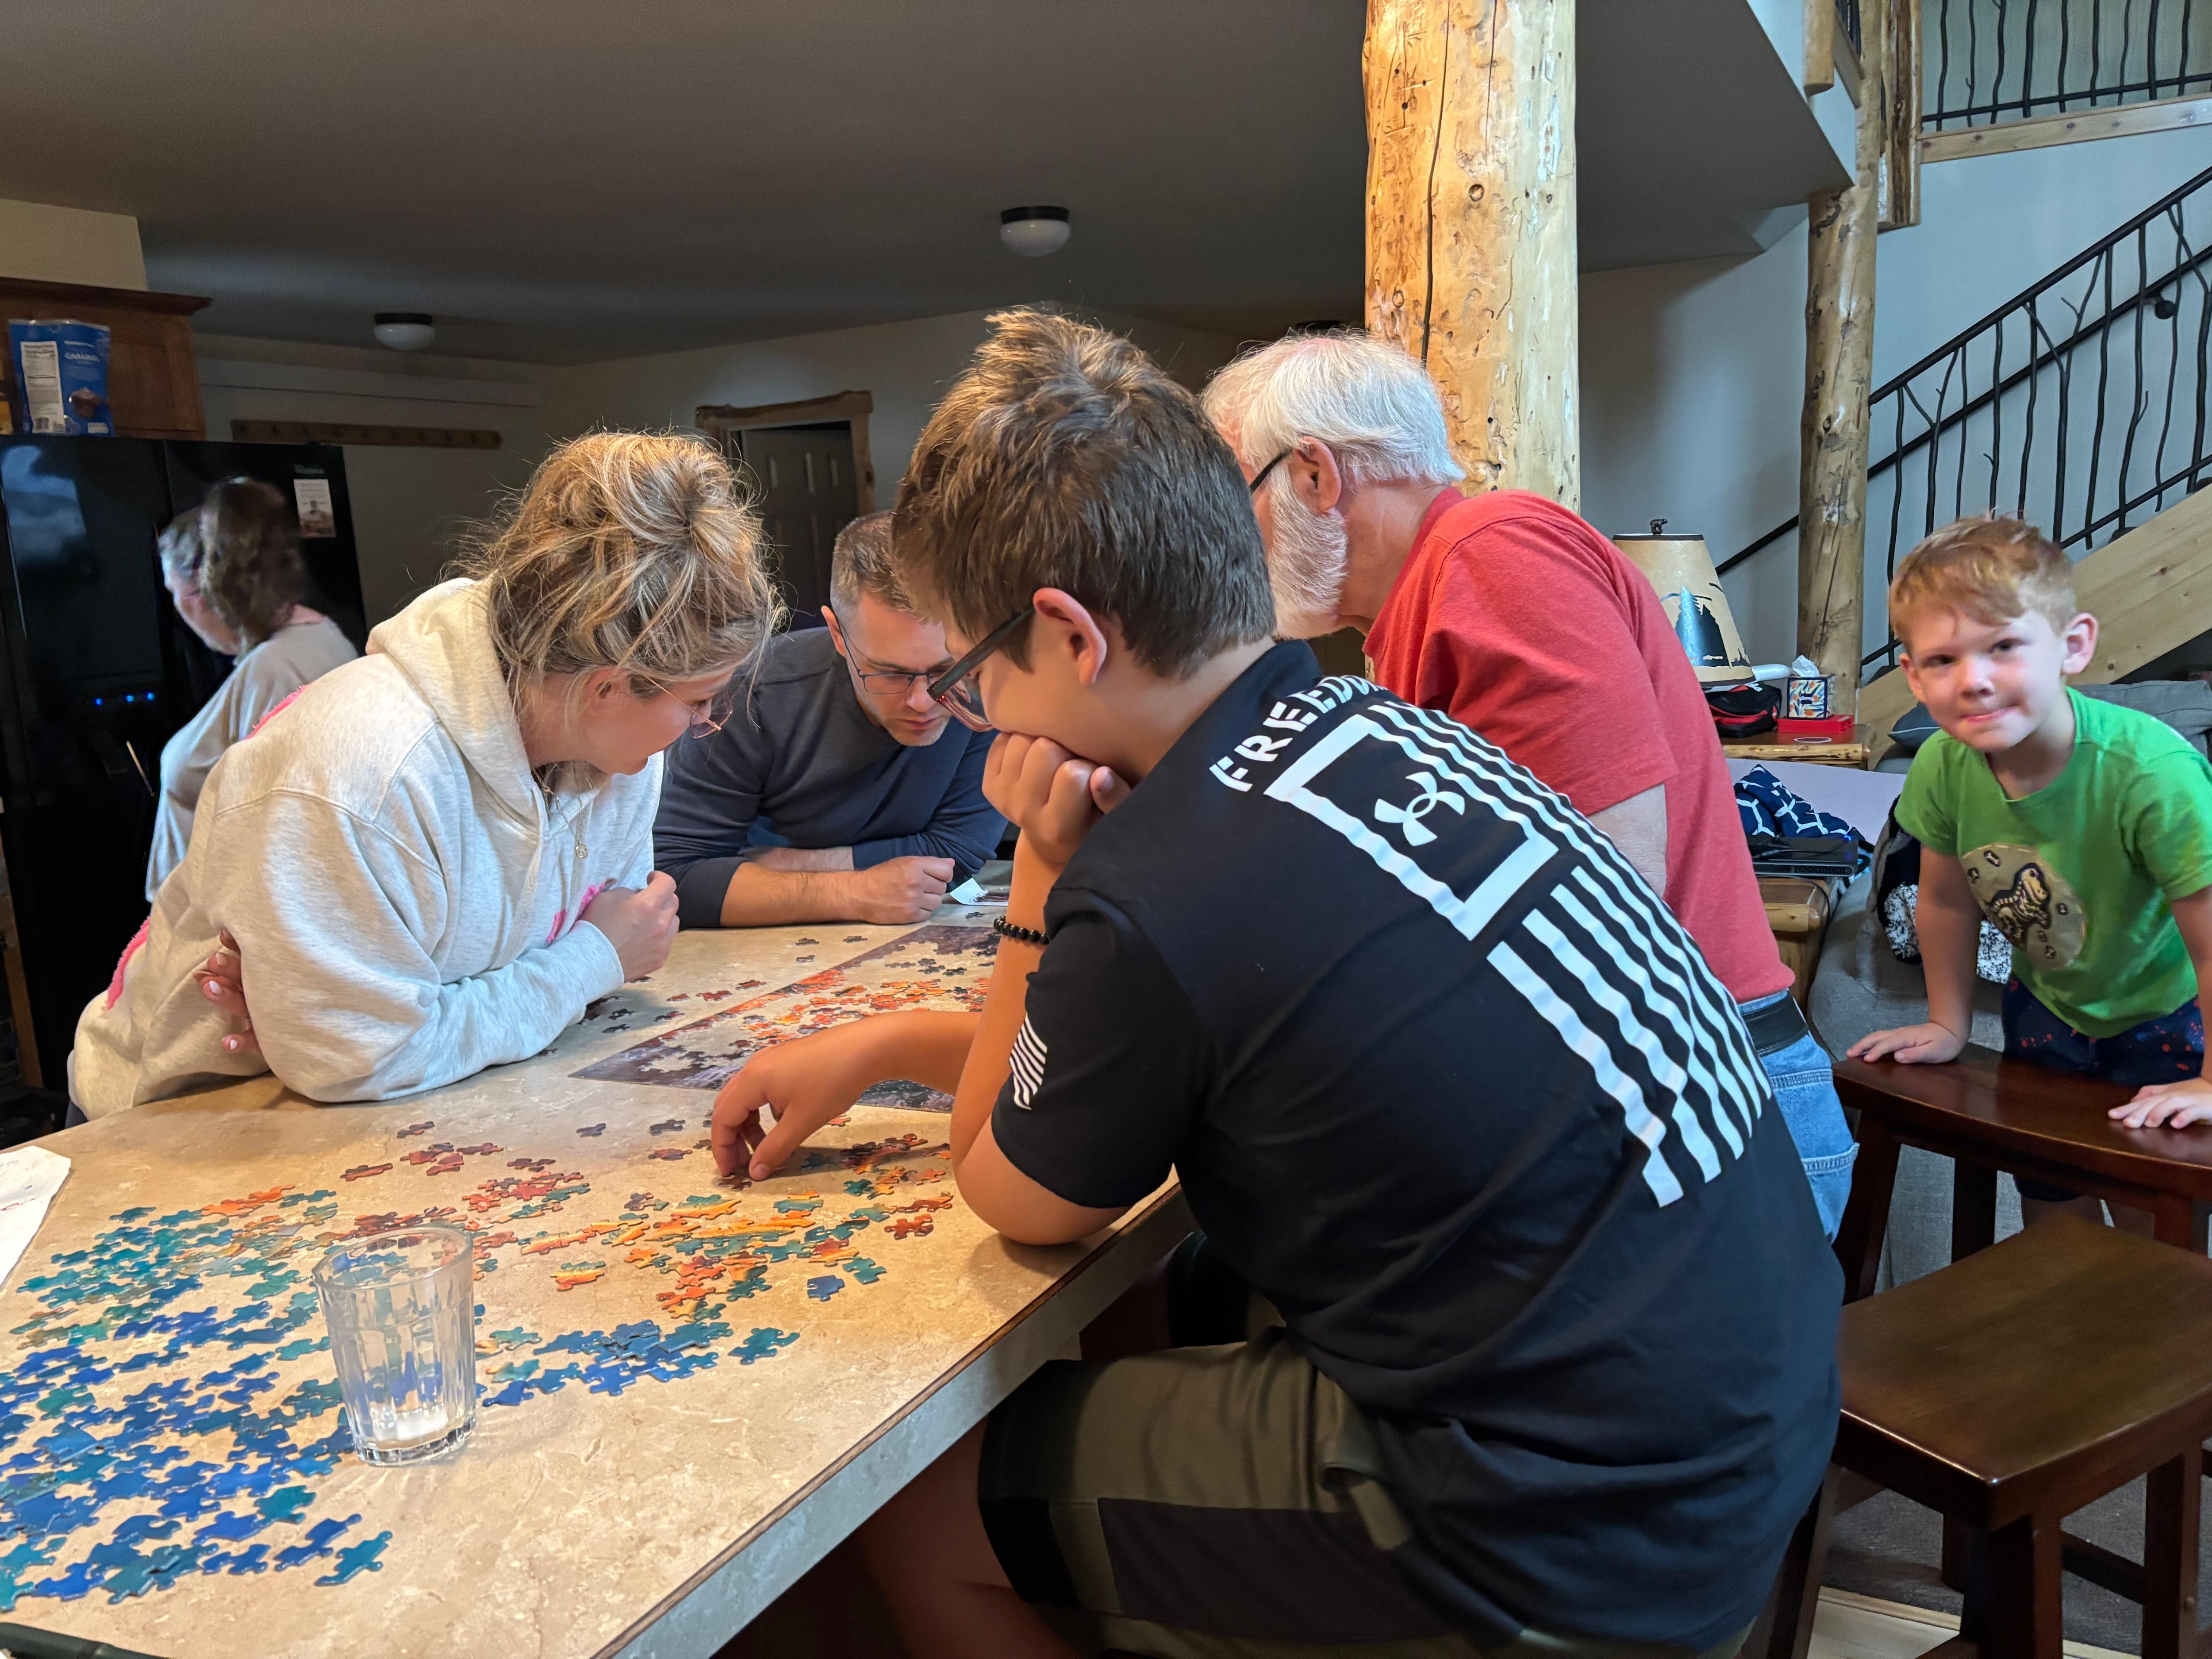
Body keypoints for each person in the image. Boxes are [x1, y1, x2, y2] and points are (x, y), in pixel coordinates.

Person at [708, 311, 1840, 1659]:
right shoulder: (1389, 730)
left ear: (1069, 637)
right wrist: (895, 1039)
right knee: (1158, 1303)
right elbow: (1185, 1032)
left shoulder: (1161, 874)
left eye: (972, 673)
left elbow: (1010, 1182)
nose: (980, 716)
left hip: (1572, 1532)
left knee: (908, 1510)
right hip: (1742, 1411)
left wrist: (1035, 884)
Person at [1201, 330, 1858, 1238]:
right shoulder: (1413, 613)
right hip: (1668, 1094)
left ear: (1314, 475)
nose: (1231, 547)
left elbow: (1603, 902)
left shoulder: (1487, 554)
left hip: (1698, 1105)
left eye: (1235, 505)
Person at [70, 431, 776, 1115]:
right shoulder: (352, 774)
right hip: (181, 1118)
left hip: (403, 1103)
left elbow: (543, 1008)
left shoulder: (617, 761)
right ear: (607, 687)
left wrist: (405, 1016)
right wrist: (591, 958)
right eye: (699, 701)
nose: (704, 725)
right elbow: (362, 1057)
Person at [1847, 516, 2212, 1226]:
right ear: (1914, 677)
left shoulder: (2152, 774)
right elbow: (1947, 902)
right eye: (1945, 660)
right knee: (2049, 1222)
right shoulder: (1943, 766)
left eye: (2004, 647)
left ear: (2073, 645)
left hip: (2165, 1016)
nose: (1975, 681)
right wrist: (1948, 1023)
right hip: (2045, 1009)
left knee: (2149, 1242)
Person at [653, 510, 1002, 927]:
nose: (924, 701)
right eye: (889, 673)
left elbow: (956, 855)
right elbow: (675, 875)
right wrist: (852, 892)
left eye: (946, 670)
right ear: (838, 635)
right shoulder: (749, 695)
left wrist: (764, 864)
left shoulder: (988, 688)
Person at [146, 478, 359, 899]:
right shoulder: (320, 636)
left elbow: (277, 834)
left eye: (178, 595)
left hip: (220, 932)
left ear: (206, 590)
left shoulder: (276, 668)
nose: (180, 611)